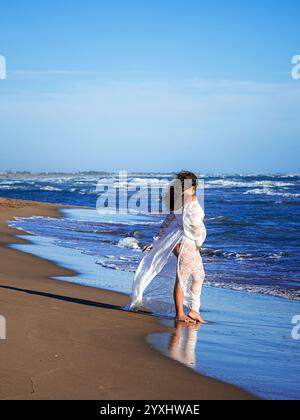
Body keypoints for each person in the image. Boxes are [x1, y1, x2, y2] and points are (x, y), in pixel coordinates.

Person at [130, 171, 207, 324]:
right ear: (193, 186)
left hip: (178, 239)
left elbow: (167, 222)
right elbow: (194, 225)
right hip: (188, 242)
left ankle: (194, 311)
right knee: (182, 278)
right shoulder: (191, 200)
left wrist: (157, 241)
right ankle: (179, 314)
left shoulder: (180, 200)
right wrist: (199, 242)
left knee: (199, 275)